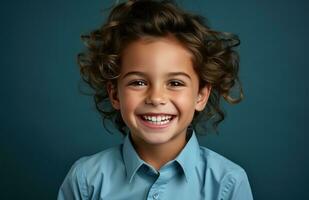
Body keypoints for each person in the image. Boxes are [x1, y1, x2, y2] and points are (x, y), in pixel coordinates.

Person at [57, 0, 253, 199]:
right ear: (115, 94)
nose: (156, 98)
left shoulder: (228, 183)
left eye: (175, 83)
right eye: (138, 82)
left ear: (201, 96)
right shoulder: (85, 180)